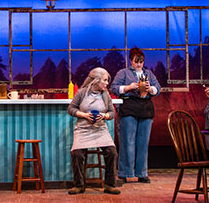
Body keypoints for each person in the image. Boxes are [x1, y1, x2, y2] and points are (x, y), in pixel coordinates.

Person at [111, 48, 160, 184]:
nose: (139, 64)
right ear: (130, 61)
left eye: (141, 62)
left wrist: (150, 89)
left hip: (145, 108)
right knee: (128, 141)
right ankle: (125, 172)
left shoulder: (148, 73)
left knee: (143, 142)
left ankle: (142, 172)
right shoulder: (124, 73)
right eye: (136, 62)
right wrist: (128, 87)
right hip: (129, 107)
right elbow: (114, 87)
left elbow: (158, 89)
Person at [67, 67, 120, 194]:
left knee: (112, 152)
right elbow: (71, 109)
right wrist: (84, 115)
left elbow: (112, 112)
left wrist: (104, 116)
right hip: (83, 129)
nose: (107, 83)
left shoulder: (105, 94)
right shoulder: (82, 92)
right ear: (96, 80)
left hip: (100, 129)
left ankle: (109, 184)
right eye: (105, 80)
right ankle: (79, 185)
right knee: (77, 153)